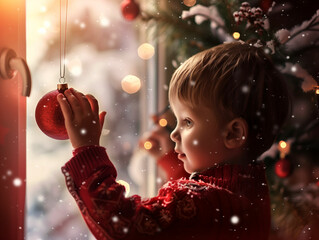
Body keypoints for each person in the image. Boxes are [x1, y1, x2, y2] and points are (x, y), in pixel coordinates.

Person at [58, 41, 290, 240]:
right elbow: (190, 224)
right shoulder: (248, 190)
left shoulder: (208, 204)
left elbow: (126, 227)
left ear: (233, 134)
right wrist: (174, 163)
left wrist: (87, 150)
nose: (174, 133)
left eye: (187, 122)